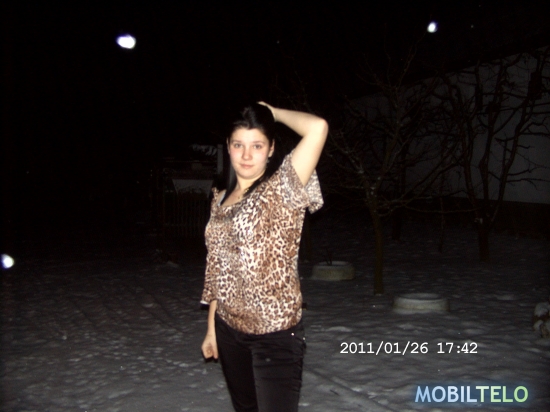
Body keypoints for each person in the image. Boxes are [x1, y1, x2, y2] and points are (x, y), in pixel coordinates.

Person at [200, 101, 327, 412]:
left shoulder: (282, 188)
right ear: (228, 146)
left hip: (276, 335)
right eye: (238, 145)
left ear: (270, 149)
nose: (246, 155)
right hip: (229, 330)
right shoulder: (220, 198)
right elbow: (217, 268)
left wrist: (274, 113)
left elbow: (318, 128)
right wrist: (212, 328)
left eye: (256, 145)